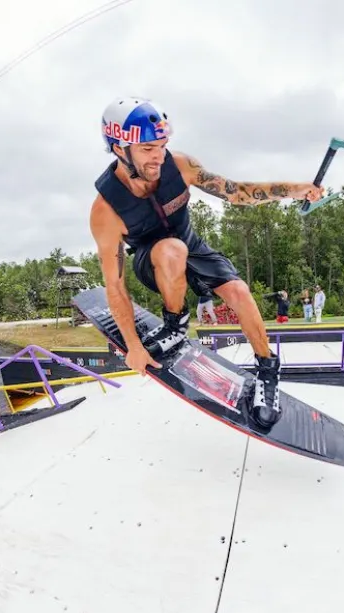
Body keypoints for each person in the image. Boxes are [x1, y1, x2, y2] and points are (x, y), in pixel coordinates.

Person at [89, 96, 323, 428]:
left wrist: (295, 190)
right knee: (171, 250)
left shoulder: (180, 165)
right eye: (147, 149)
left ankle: (268, 370)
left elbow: (237, 192)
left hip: (193, 246)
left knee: (240, 292)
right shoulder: (105, 210)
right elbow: (115, 285)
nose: (158, 156)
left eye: (162, 145)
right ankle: (175, 324)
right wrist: (133, 347)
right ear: (119, 149)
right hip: (152, 260)